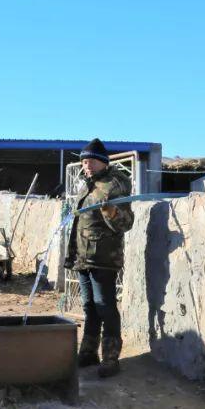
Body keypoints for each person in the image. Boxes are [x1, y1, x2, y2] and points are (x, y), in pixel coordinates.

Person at [65, 138, 134, 377]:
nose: (87, 165)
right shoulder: (87, 185)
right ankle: (88, 352)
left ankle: (111, 359)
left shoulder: (115, 184)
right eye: (84, 161)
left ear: (103, 162)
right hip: (83, 255)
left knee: (105, 306)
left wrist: (111, 211)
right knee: (89, 307)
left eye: (92, 161)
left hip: (103, 256)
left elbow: (126, 223)